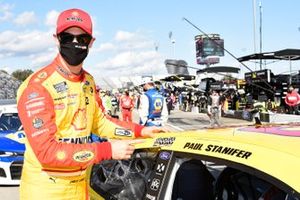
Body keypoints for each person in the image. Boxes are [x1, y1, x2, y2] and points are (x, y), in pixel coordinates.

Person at [16, 8, 166, 200]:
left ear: (91, 42)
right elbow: (47, 152)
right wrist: (107, 150)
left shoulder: (88, 82)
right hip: (46, 190)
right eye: (67, 37)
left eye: (82, 39)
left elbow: (101, 123)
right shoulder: (37, 86)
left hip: (81, 186)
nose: (75, 43)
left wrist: (140, 131)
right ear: (56, 39)